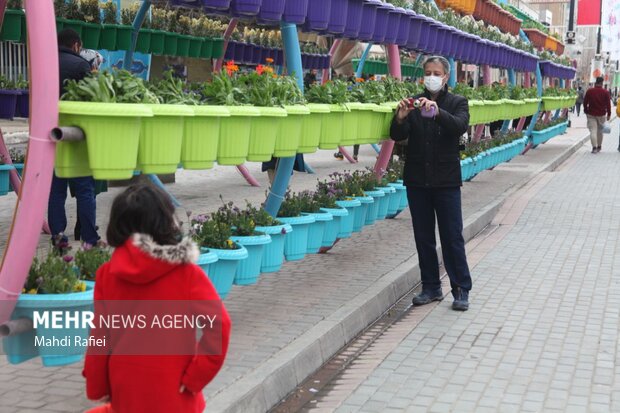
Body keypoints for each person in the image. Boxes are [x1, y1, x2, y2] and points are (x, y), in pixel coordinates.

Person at [83, 182, 231, 413]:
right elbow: (219, 325)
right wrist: (196, 376)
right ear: (165, 221)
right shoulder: (186, 273)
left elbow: (100, 337)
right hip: (175, 390)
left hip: (126, 390)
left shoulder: (107, 275)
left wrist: (97, 384)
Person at [390, 56, 473, 311]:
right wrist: (401, 117)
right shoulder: (414, 103)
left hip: (446, 182)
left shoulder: (457, 102)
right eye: (428, 72)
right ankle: (430, 287)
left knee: (451, 236)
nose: (431, 77)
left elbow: (459, 126)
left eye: (436, 72)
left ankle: (460, 289)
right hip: (417, 181)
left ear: (446, 76)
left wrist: (437, 113)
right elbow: (397, 135)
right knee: (423, 237)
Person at [49, 29, 100, 248]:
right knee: (85, 189)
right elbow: (94, 100)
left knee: (56, 189)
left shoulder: (46, 62)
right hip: (78, 135)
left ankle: (58, 235)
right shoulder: (81, 65)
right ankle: (90, 238)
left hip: (52, 134)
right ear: (77, 45)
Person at [584, 76, 612, 153]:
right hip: (602, 115)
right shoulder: (605, 92)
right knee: (600, 131)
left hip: (591, 114)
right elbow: (608, 104)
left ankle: (594, 148)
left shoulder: (589, 91)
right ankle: (599, 146)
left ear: (595, 82)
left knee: (593, 131)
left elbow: (585, 102)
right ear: (602, 83)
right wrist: (609, 114)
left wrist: (586, 110)